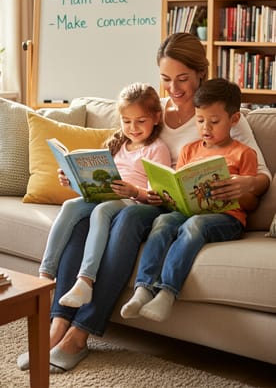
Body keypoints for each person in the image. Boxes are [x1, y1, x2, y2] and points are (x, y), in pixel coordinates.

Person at [19, 32, 270, 373]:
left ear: (200, 73)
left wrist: (248, 183)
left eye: (183, 79)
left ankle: (81, 333)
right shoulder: (152, 111)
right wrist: (78, 178)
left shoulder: (214, 113)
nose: (175, 88)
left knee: (124, 221)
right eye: (166, 79)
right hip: (145, 198)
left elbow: (263, 177)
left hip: (168, 210)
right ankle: (58, 324)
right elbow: (120, 153)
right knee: (82, 220)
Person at [120, 78, 257, 322]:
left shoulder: (244, 153)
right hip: (188, 211)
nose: (206, 127)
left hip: (227, 218)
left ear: (234, 120)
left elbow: (251, 203)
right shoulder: (189, 150)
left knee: (193, 226)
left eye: (214, 122)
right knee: (163, 222)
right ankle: (143, 288)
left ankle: (167, 293)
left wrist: (237, 193)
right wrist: (166, 194)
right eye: (200, 120)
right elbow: (178, 189)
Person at [38, 83, 171, 309]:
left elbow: (158, 195)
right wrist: (73, 181)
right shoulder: (118, 144)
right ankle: (45, 275)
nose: (133, 127)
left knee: (101, 211)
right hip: (104, 196)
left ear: (156, 118)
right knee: (70, 206)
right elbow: (96, 184)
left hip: (129, 202)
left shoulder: (157, 149)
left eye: (141, 121)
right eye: (126, 121)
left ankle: (85, 281)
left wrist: (134, 191)